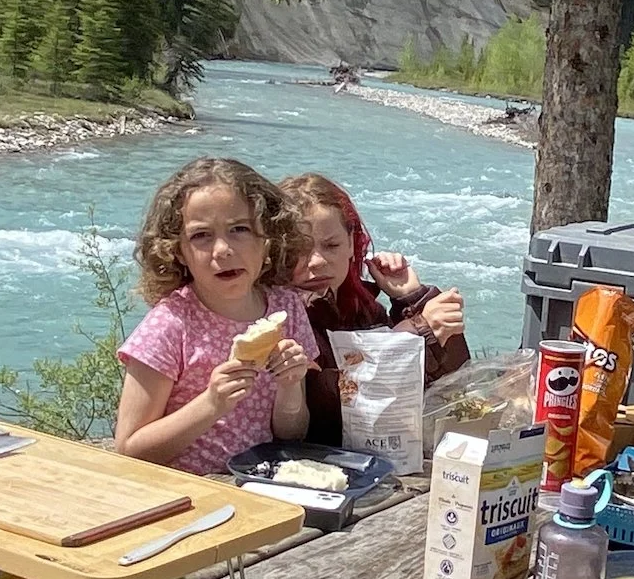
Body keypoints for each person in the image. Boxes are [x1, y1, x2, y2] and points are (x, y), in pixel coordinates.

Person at [114, 156, 318, 474]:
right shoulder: (169, 325)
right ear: (178, 252)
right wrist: (211, 404)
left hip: (263, 485)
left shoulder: (287, 309)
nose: (222, 249)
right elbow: (129, 450)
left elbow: (292, 435)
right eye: (201, 236)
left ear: (268, 240)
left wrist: (290, 385)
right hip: (188, 494)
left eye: (240, 229)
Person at [278, 172, 472, 447]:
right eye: (299, 249)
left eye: (331, 245)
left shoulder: (363, 308)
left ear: (351, 245)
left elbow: (454, 383)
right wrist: (416, 333)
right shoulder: (275, 315)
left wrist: (411, 298)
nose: (317, 261)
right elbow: (328, 409)